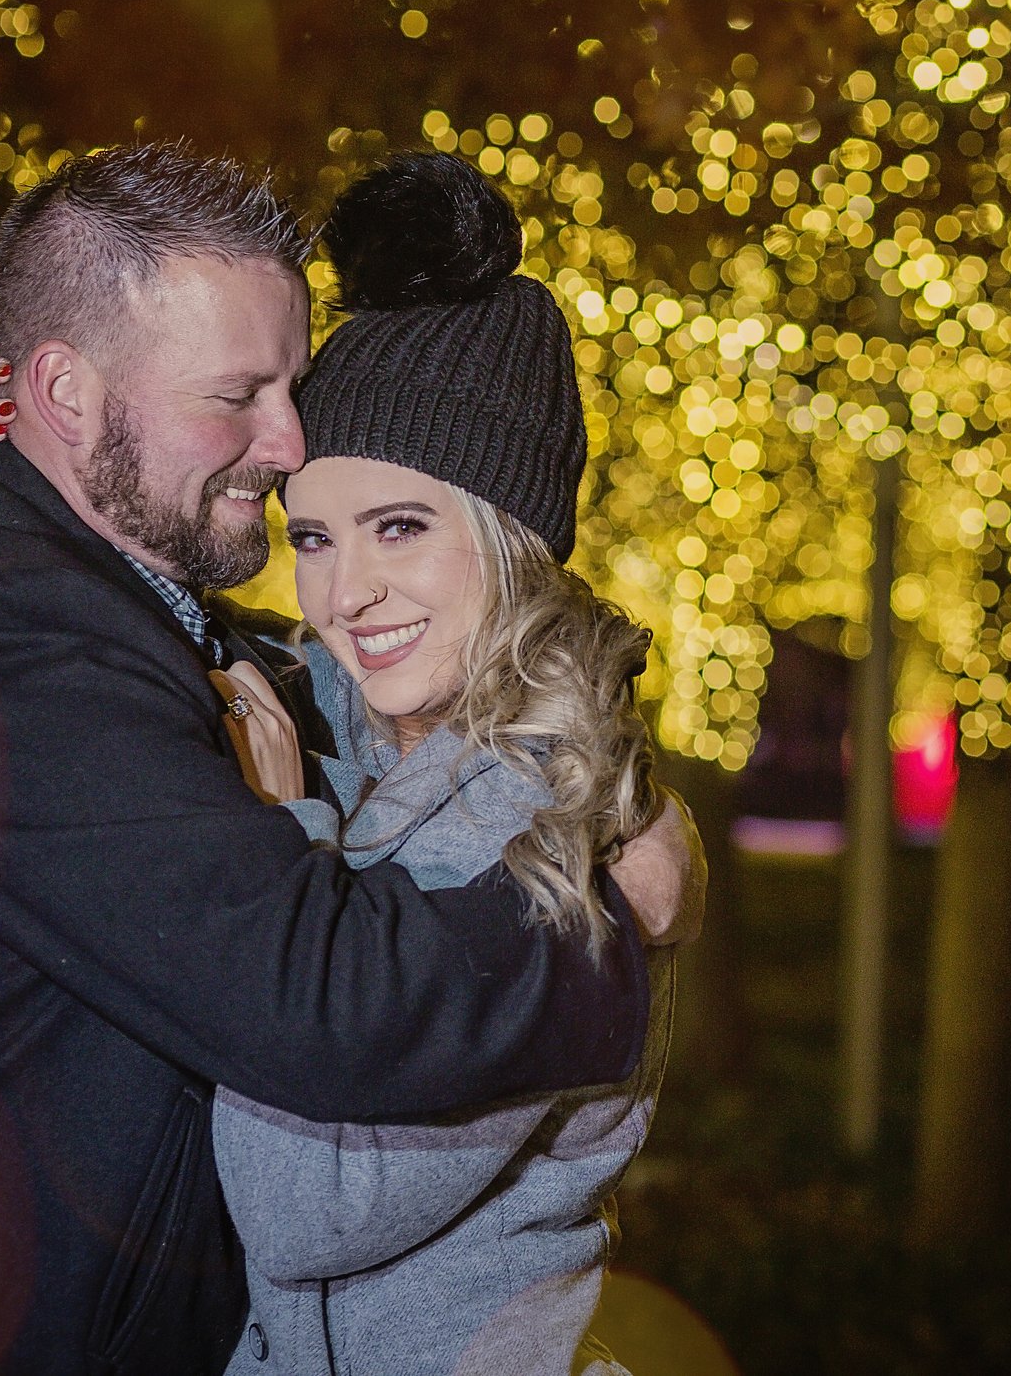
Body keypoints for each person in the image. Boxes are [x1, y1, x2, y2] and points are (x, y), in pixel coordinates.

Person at [0, 144, 698, 1376]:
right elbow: (324, 999)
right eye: (236, 394)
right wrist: (614, 910)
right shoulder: (4, 644)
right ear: (66, 391)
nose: (285, 439)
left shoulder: (108, 610)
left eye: (291, 386)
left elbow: (340, 670)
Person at [201, 151, 670, 1375]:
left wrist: (281, 839)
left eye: (400, 526)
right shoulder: (350, 722)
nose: (347, 592)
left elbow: (304, 1213)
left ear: (511, 538)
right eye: (313, 536)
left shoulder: (541, 848)